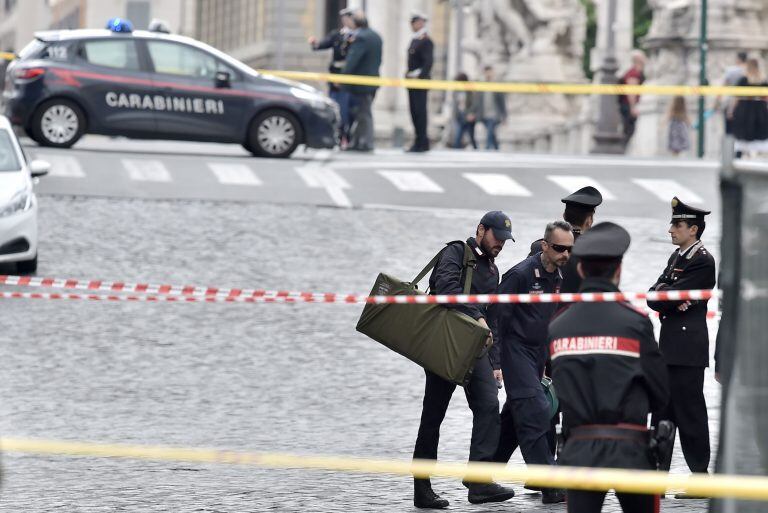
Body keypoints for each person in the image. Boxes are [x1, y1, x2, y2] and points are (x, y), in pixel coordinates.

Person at [549, 222, 669, 513]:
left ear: (579, 270)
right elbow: (661, 392)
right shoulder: (635, 322)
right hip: (631, 450)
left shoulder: (558, 326)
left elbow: (559, 387)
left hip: (579, 450)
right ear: (619, 270)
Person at [412, 211, 516, 509]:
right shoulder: (456, 252)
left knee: (488, 406)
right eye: (497, 237)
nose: (501, 244)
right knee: (433, 416)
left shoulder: (492, 270)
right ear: (481, 230)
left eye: (505, 240)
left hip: (476, 351)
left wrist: (496, 363)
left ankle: (479, 481)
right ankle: (422, 487)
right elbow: (445, 289)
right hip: (445, 346)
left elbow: (493, 321)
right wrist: (477, 316)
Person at [490, 220, 574, 505]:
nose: (566, 254)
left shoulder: (562, 275)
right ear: (545, 246)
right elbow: (496, 318)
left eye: (569, 249)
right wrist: (495, 360)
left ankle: (480, 475)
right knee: (536, 410)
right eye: (560, 249)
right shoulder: (521, 275)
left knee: (517, 415)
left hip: (539, 353)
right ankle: (550, 484)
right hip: (516, 351)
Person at [647, 197, 716, 492]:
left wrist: (668, 295)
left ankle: (700, 475)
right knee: (662, 411)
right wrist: (668, 295)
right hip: (671, 346)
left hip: (687, 349)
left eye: (677, 224)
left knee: (690, 412)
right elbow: (655, 295)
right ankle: (656, 477)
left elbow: (667, 296)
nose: (670, 230)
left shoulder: (702, 260)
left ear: (693, 229)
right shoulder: (678, 258)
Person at [308, 8, 355, 147]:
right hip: (335, 76)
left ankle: (347, 136)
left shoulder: (357, 37)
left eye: (348, 18)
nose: (346, 21)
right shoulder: (337, 35)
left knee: (347, 110)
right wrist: (314, 44)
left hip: (348, 78)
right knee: (335, 106)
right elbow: (322, 45)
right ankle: (337, 135)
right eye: (344, 18)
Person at [342, 10, 383, 153]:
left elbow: (352, 61)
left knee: (364, 114)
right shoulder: (376, 36)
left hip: (361, 84)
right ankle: (358, 142)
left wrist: (341, 77)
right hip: (372, 81)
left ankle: (366, 143)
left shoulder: (361, 38)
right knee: (362, 113)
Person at [405, 12, 434, 153]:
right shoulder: (415, 39)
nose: (412, 26)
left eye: (414, 22)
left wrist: (419, 76)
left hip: (420, 82)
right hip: (411, 81)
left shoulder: (425, 40)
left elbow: (428, 62)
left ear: (421, 23)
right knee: (414, 112)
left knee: (420, 112)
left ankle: (422, 142)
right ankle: (419, 140)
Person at [729, 57, 768, 158]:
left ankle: (739, 158)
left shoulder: (743, 80)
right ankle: (754, 156)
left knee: (743, 136)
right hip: (760, 110)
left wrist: (731, 110)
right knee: (758, 134)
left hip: (744, 110)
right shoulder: (763, 81)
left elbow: (736, 97)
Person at [715, 51, 747, 138]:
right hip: (746, 104)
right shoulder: (748, 71)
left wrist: (717, 101)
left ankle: (730, 150)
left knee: (729, 130)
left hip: (730, 103)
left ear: (738, 59)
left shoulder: (731, 71)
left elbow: (723, 85)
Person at [618, 50, 646, 146]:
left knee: (628, 130)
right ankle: (621, 149)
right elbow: (631, 91)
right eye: (643, 57)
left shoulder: (634, 72)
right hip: (627, 105)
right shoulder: (633, 73)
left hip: (627, 105)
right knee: (629, 130)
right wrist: (633, 107)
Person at [475, 65, 507, 150]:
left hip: (494, 114)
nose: (488, 74)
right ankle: (496, 147)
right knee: (491, 132)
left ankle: (487, 148)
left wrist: (504, 116)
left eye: (490, 72)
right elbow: (477, 101)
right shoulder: (481, 85)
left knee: (490, 130)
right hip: (484, 113)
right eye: (487, 72)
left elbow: (502, 102)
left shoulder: (496, 85)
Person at [451, 72, 478, 149]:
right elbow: (455, 105)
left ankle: (475, 150)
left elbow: (474, 103)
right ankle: (456, 150)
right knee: (458, 136)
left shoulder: (470, 90)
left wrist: (472, 114)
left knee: (471, 136)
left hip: (469, 116)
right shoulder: (456, 91)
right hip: (460, 116)